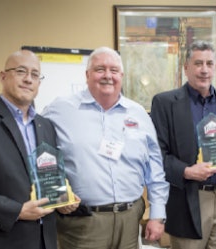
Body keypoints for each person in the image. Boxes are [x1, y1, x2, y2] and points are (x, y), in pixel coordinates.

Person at [0, 50, 79, 249]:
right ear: (3, 76)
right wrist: (16, 210)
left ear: (39, 83)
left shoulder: (46, 126)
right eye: (21, 71)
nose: (28, 79)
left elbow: (48, 174)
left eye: (35, 74)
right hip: (0, 240)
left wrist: (61, 201)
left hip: (45, 240)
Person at [42, 46, 169, 249]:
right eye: (100, 69)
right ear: (87, 74)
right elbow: (40, 155)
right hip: (83, 223)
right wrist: (57, 194)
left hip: (129, 220)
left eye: (114, 70)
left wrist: (158, 214)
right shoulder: (60, 110)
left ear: (122, 75)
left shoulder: (138, 114)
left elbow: (155, 167)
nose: (107, 76)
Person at [150, 40, 216, 249]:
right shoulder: (165, 103)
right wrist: (186, 171)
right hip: (188, 199)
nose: (204, 70)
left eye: (210, 64)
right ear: (186, 67)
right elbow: (157, 155)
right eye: (198, 63)